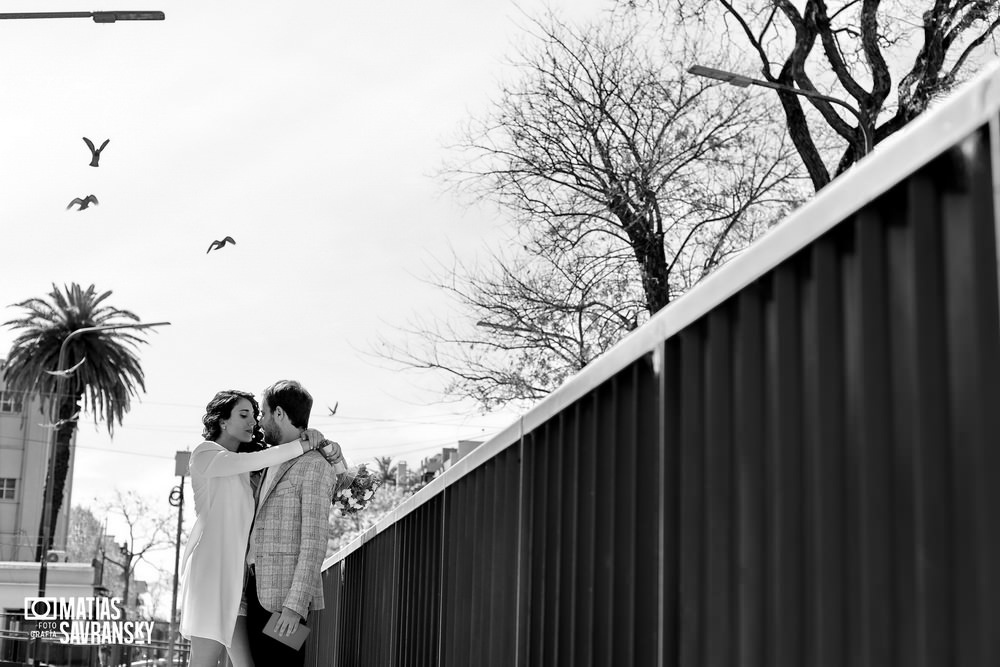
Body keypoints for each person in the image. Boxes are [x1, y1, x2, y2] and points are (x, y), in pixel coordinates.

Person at [178, 389, 327, 667]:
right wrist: (306, 444)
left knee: (247, 664)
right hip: (212, 575)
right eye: (244, 415)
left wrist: (324, 445)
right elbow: (254, 459)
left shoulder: (252, 471)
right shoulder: (206, 454)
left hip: (243, 583)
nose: (253, 423)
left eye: (255, 416)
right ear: (222, 421)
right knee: (204, 661)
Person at [244, 380, 337, 667]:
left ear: (280, 414)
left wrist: (294, 608)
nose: (260, 421)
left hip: (283, 605)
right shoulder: (271, 458)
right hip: (253, 591)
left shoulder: (315, 465)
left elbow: (314, 541)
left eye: (265, 413)